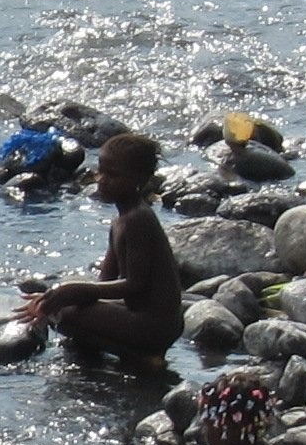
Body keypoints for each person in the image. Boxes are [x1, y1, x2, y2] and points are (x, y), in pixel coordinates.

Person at [19, 132, 184, 366]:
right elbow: (104, 282)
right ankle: (128, 351)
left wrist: (71, 292)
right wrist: (57, 296)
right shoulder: (121, 220)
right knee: (63, 309)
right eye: (100, 171)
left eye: (113, 175)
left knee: (63, 315)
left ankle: (140, 357)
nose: (102, 180)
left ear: (140, 179)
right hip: (143, 319)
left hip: (155, 326)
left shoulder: (138, 219)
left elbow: (134, 284)